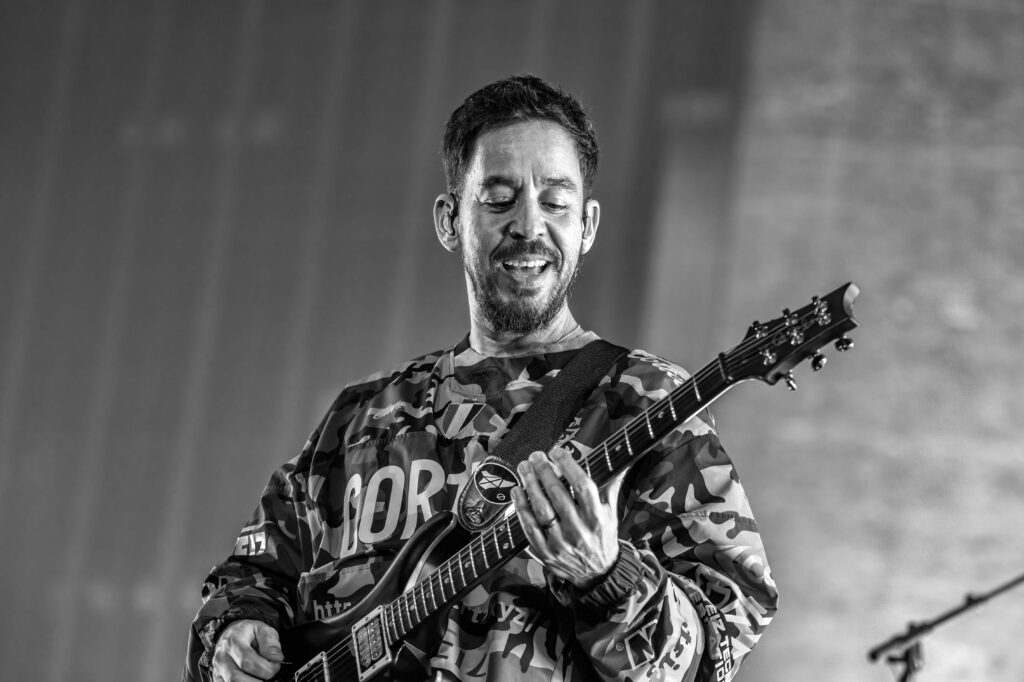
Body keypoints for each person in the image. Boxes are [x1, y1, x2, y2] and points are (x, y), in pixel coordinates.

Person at [183, 75, 778, 682]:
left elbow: (716, 647)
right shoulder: (361, 418)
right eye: (498, 199)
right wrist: (236, 630)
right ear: (450, 220)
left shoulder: (646, 399)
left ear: (588, 225)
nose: (528, 225)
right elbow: (252, 575)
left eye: (556, 202)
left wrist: (606, 575)